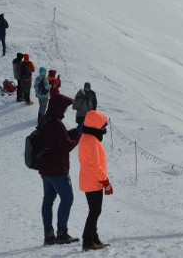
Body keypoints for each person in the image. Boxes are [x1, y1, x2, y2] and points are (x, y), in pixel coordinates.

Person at [38, 94, 81, 246]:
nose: (65, 112)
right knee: (67, 198)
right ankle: (62, 233)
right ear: (58, 107)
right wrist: (78, 134)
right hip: (57, 169)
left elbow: (56, 139)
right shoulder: (56, 124)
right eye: (64, 108)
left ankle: (49, 235)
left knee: (48, 200)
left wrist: (72, 132)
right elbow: (67, 145)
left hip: (45, 169)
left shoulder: (45, 119)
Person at [78, 110, 112, 251]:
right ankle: (87, 241)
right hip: (94, 182)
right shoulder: (92, 141)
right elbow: (95, 165)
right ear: (96, 125)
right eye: (103, 125)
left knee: (94, 210)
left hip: (89, 180)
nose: (104, 128)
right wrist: (105, 182)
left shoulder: (86, 137)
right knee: (95, 212)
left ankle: (94, 238)